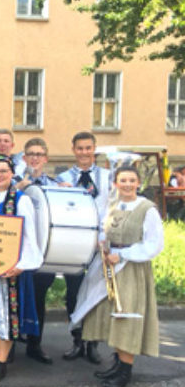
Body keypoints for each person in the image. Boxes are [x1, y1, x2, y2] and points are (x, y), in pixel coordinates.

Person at [70, 166, 164, 387]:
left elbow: (154, 244)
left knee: (126, 316)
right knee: (112, 314)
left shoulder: (147, 209)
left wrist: (122, 254)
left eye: (132, 180)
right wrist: (103, 244)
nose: (128, 184)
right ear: (116, 183)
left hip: (131, 268)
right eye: (123, 180)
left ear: (138, 183)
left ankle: (125, 371)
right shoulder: (113, 206)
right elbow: (105, 231)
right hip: (110, 264)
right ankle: (118, 363)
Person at [0, 155, 42, 384]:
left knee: (6, 316)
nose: (0, 175)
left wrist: (21, 265)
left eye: (4, 171)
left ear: (12, 173)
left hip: (8, 269)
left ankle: (2, 362)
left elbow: (29, 235)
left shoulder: (20, 200)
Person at [58, 131, 111, 364]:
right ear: (73, 150)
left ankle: (93, 343)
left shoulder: (109, 177)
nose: (84, 153)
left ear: (94, 149)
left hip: (100, 241)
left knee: (97, 292)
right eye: (79, 148)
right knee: (74, 291)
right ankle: (77, 339)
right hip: (75, 243)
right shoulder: (62, 177)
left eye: (88, 148)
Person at [15, 137, 58, 364]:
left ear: (46, 158)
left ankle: (34, 344)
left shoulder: (54, 185)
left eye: (39, 154)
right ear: (24, 158)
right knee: (13, 298)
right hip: (17, 252)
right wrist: (18, 187)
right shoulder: (13, 182)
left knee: (39, 298)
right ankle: (8, 347)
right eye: (30, 154)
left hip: (43, 252)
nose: (35, 158)